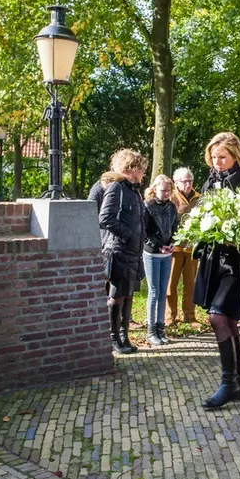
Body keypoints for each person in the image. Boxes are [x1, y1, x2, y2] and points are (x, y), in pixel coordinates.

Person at [193, 132, 240, 410]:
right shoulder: (210, 181)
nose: (217, 162)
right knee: (228, 321)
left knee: (218, 317)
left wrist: (238, 238)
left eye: (222, 157)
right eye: (213, 157)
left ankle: (228, 382)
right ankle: (237, 382)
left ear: (236, 155)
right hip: (214, 261)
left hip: (238, 264)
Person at [99, 149, 148, 355]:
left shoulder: (133, 190)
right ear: (133, 168)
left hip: (133, 253)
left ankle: (124, 336)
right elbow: (106, 218)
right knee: (117, 296)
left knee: (128, 295)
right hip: (119, 251)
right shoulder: (117, 188)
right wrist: (128, 235)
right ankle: (114, 339)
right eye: (142, 170)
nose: (144, 174)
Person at [143, 175, 179, 345]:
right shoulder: (147, 206)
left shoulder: (172, 207)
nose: (165, 194)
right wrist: (158, 246)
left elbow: (175, 228)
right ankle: (151, 330)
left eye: (168, 191)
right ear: (155, 189)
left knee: (163, 292)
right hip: (152, 253)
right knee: (154, 291)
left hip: (167, 253)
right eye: (163, 190)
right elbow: (144, 232)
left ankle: (160, 328)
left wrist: (173, 243)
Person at [166, 167, 201, 326]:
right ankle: (170, 316)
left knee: (190, 284)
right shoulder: (171, 197)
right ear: (176, 182)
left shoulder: (199, 197)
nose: (187, 184)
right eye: (184, 181)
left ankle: (190, 316)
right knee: (170, 284)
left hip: (192, 248)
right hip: (174, 249)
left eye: (190, 181)